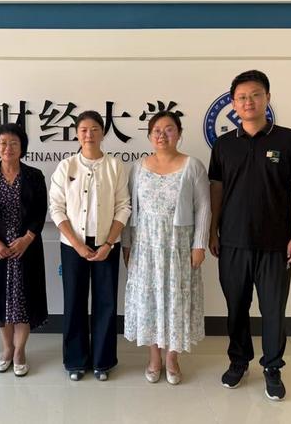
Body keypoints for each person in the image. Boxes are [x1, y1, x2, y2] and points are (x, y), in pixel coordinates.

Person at [208, 70, 291, 401]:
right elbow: (216, 190)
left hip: (276, 245)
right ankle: (238, 362)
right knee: (236, 308)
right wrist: (212, 231)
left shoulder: (289, 140)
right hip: (232, 243)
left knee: (273, 311)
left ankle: (272, 368)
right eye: (241, 97)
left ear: (267, 97)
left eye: (255, 95)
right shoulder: (224, 145)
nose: (248, 101)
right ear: (233, 103)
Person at [122, 111, 211, 385]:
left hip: (178, 245)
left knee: (176, 299)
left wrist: (199, 244)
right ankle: (154, 358)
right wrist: (127, 244)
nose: (162, 135)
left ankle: (172, 358)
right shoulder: (138, 167)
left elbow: (204, 207)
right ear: (150, 136)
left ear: (179, 133)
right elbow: (128, 209)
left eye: (169, 129)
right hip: (145, 245)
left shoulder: (193, 166)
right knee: (149, 300)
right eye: (157, 130)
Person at [48, 110, 131, 381]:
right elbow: (56, 209)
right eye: (83, 129)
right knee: (74, 301)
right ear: (76, 133)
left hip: (107, 243)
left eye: (95, 129)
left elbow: (123, 206)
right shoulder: (66, 166)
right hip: (73, 245)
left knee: (106, 302)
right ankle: (75, 361)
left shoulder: (114, 166)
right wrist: (77, 244)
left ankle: (102, 362)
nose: (89, 134)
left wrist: (108, 243)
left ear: (103, 133)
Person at [0, 123, 48, 377]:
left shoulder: (34, 175)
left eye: (14, 143)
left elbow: (41, 210)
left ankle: (20, 351)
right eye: (3, 143)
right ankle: (7, 349)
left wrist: (27, 238)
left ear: (22, 147)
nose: (8, 148)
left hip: (26, 249)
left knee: (24, 300)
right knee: (1, 300)